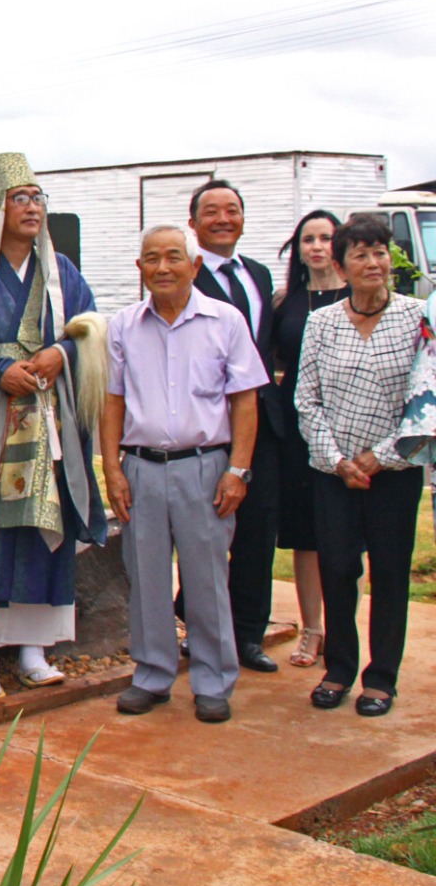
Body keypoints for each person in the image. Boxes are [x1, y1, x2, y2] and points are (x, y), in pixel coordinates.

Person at [0, 153, 109, 699]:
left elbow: (88, 331)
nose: (32, 207)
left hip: (47, 421)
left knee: (41, 532)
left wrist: (61, 352)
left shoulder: (61, 274)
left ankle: (36, 649)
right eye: (20, 198)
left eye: (38, 198)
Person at [102, 225, 267, 724]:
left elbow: (245, 400)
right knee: (146, 577)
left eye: (175, 257)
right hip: (143, 468)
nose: (163, 267)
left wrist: (238, 469)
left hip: (207, 467)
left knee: (207, 579)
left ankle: (213, 680)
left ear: (194, 266)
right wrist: (112, 467)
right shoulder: (124, 326)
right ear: (140, 269)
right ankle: (152, 674)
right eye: (152, 258)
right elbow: (113, 401)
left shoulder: (226, 321)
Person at [294, 215, 425, 717]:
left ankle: (382, 677)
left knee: (389, 573)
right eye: (362, 254)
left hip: (394, 472)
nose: (374, 263)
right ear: (343, 266)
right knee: (338, 569)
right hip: (335, 474)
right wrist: (339, 461)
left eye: (380, 252)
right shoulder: (321, 322)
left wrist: (382, 455)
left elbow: (428, 402)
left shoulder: (419, 318)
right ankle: (340, 669)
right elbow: (307, 400)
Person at [187, 179, 283, 672]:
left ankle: (248, 633)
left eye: (232, 210)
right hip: (205, 426)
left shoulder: (260, 275)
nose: (223, 219)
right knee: (206, 535)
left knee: (257, 533)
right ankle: (203, 628)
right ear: (194, 224)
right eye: (211, 212)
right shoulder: (185, 275)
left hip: (262, 425)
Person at [271, 210, 345, 668]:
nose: (316, 246)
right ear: (298, 249)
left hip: (348, 426)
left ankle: (343, 629)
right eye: (308, 239)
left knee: (345, 536)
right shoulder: (287, 301)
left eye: (325, 238)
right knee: (305, 534)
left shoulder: (358, 297)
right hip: (295, 430)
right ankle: (312, 629)